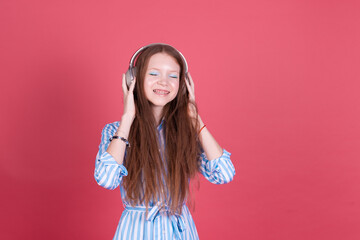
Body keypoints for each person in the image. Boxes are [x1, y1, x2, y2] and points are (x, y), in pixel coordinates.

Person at [94, 43, 235, 240]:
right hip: (136, 232)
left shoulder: (186, 134)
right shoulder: (114, 132)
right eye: (154, 74)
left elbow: (224, 173)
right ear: (133, 79)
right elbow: (107, 179)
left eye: (173, 76)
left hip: (181, 233)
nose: (164, 82)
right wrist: (127, 118)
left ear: (183, 84)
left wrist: (196, 120)